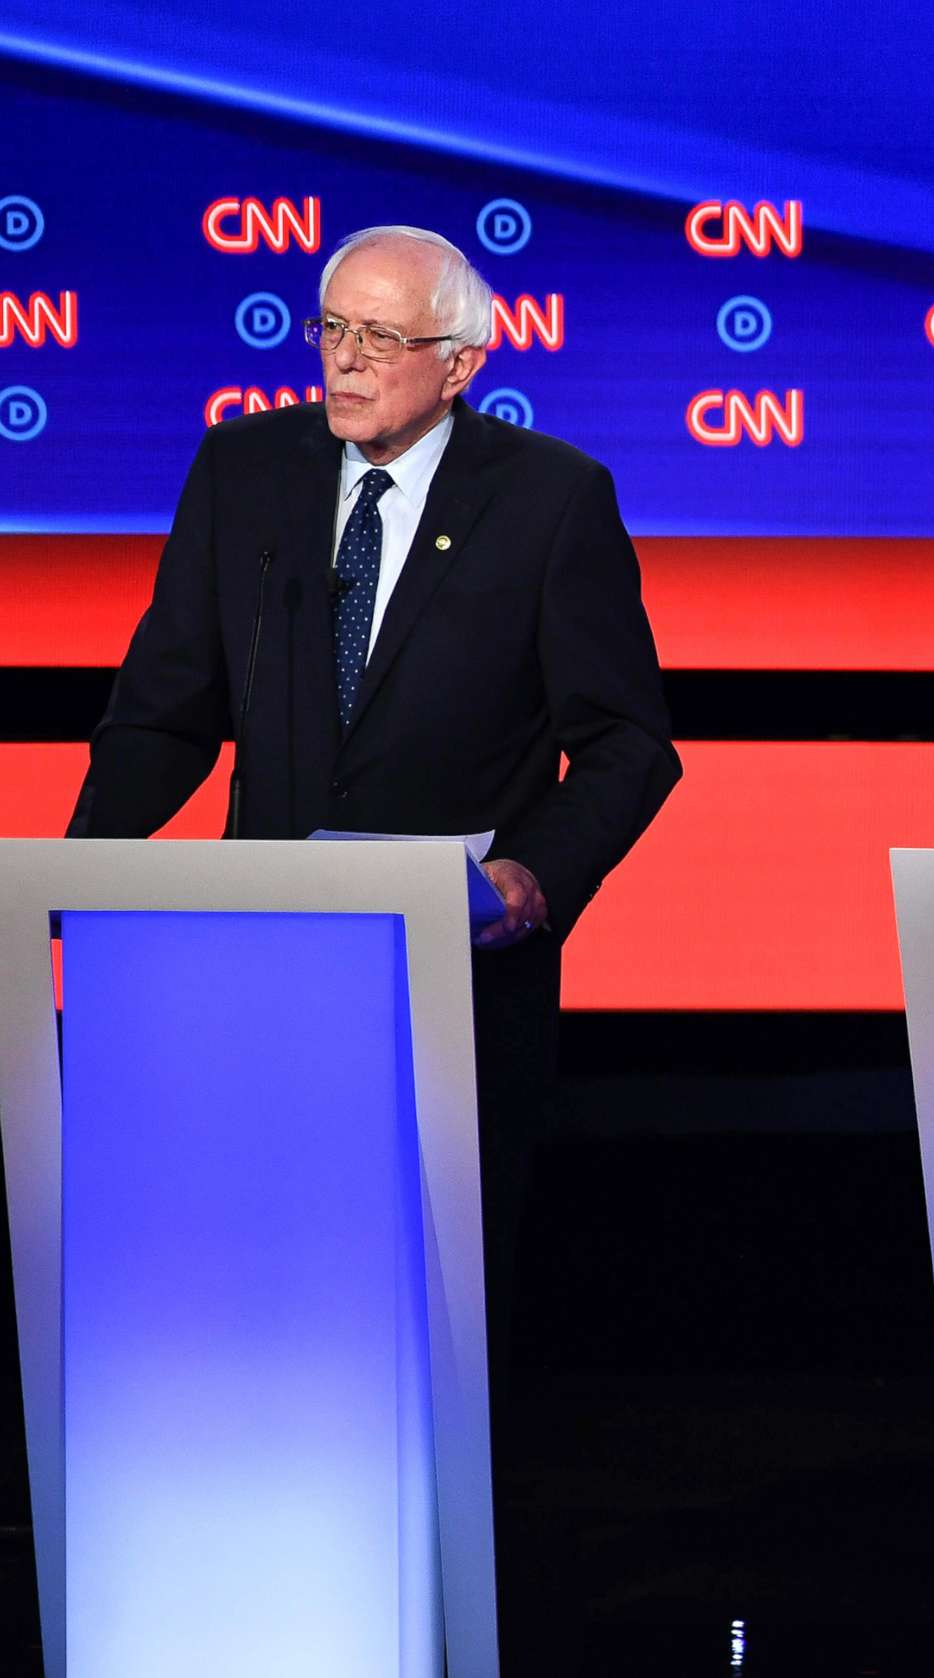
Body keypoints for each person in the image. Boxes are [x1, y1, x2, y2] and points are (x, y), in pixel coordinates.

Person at [68, 223, 680, 1466]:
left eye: (381, 341)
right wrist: (78, 870)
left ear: (460, 363)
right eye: (332, 331)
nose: (344, 365)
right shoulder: (246, 472)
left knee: (431, 1327)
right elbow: (165, 707)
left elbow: (628, 744)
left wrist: (531, 875)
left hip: (457, 980)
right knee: (253, 1289)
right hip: (264, 969)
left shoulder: (553, 498)